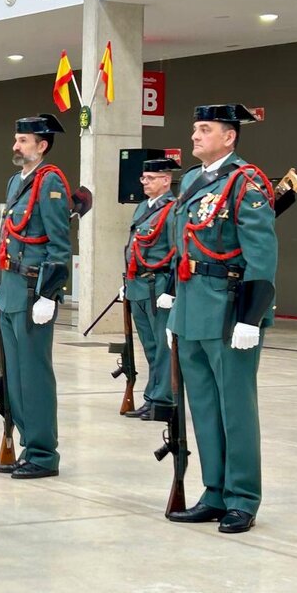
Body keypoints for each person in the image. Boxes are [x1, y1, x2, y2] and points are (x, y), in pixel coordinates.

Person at [163, 103, 276, 534]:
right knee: (205, 407)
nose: (195, 136)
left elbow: (261, 255)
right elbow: (183, 247)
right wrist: (174, 300)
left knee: (235, 407)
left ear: (229, 137)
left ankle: (242, 497)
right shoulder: (192, 180)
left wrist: (252, 315)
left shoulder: (246, 182)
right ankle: (213, 491)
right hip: (192, 308)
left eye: (204, 129)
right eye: (194, 128)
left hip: (229, 310)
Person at [0, 116, 70, 477]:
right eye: (15, 139)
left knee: (33, 374)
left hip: (32, 290)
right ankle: (25, 442)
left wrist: (49, 295)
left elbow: (59, 243)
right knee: (14, 374)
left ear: (42, 145)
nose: (15, 146)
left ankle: (42, 452)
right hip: (10, 288)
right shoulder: (15, 182)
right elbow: (7, 237)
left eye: (23, 140)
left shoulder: (50, 181)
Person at [121, 158, 182, 419]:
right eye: (143, 178)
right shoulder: (142, 208)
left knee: (163, 346)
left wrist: (172, 290)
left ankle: (164, 400)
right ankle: (151, 397)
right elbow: (134, 245)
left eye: (151, 178)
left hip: (158, 286)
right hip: (138, 286)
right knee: (149, 346)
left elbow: (177, 252)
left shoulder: (173, 210)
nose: (144, 183)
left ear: (166, 180)